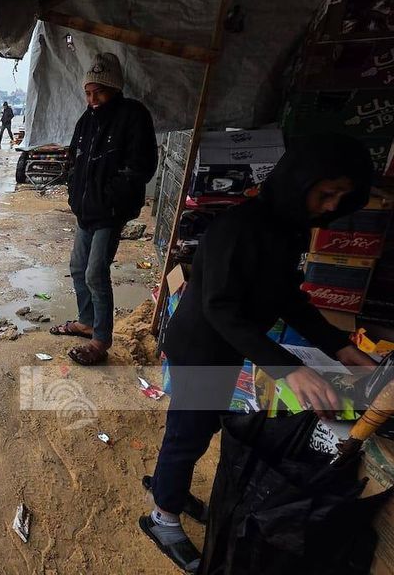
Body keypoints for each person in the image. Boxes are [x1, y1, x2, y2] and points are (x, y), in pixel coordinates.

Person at [140, 133, 378, 573]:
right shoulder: (241, 227)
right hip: (202, 349)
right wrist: (288, 371)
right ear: (299, 181)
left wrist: (340, 347)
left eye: (340, 198)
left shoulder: (287, 231)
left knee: (201, 428)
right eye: (325, 194)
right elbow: (219, 309)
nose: (330, 207)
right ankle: (162, 516)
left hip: (229, 348)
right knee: (187, 434)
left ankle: (169, 485)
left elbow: (289, 299)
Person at [50, 53, 157, 366]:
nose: (93, 99)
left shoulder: (133, 115)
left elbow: (141, 167)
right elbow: (74, 160)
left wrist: (110, 198)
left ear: (115, 89)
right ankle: (86, 321)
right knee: (77, 267)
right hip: (86, 211)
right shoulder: (86, 120)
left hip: (110, 212)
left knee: (96, 272)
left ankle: (101, 339)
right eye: (88, 93)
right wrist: (74, 193)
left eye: (99, 92)